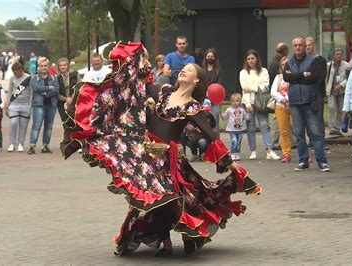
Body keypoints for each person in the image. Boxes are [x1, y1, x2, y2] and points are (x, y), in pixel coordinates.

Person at [61, 43, 261, 256]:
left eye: (191, 70)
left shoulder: (193, 106)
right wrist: (142, 58)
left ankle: (189, 234)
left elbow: (211, 134)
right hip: (147, 156)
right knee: (154, 198)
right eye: (185, 68)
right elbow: (144, 82)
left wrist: (230, 163)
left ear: (197, 81)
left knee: (177, 198)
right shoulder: (164, 92)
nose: (185, 70)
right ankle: (166, 243)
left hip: (171, 161)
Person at [283, 36, 330, 172]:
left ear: (305, 47)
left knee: (315, 133)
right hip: (295, 102)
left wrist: (296, 77)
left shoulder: (313, 60)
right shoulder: (289, 62)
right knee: (299, 133)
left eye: (300, 45)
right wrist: (303, 75)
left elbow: (314, 77)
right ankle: (303, 161)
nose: (298, 47)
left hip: (310, 101)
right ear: (293, 47)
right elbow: (286, 77)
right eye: (295, 45)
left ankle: (322, 162)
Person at [239, 49, 280, 160]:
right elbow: (244, 89)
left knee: (264, 125)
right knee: (251, 128)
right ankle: (253, 151)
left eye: (253, 58)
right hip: (249, 103)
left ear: (257, 59)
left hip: (261, 102)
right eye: (248, 59)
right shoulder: (243, 72)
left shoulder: (264, 71)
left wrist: (252, 88)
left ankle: (269, 150)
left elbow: (265, 86)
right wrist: (247, 104)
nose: (251, 61)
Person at [28, 57, 60, 155]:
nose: (43, 67)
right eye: (41, 66)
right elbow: (36, 87)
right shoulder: (34, 77)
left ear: (48, 67)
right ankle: (32, 146)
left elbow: (56, 90)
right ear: (38, 68)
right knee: (36, 125)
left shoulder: (53, 77)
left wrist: (47, 94)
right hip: (38, 105)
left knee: (48, 126)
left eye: (45, 66)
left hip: (51, 105)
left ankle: (45, 146)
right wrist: (48, 88)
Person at [267, 42, 293, 150]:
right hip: (279, 96)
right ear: (285, 51)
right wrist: (280, 97)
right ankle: (275, 142)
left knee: (283, 123)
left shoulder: (273, 61)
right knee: (277, 122)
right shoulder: (276, 65)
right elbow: (274, 83)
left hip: (282, 97)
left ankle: (288, 142)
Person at [4, 62, 31, 152]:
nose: (16, 74)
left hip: (25, 104)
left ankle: (20, 143)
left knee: (23, 125)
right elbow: (9, 92)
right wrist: (6, 105)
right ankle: (12, 143)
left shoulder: (28, 78)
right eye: (14, 72)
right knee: (13, 122)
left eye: (17, 72)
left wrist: (30, 106)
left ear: (21, 70)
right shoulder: (12, 78)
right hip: (14, 104)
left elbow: (31, 93)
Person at [305, 37, 328, 146]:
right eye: (306, 45)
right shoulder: (303, 60)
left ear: (314, 45)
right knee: (307, 117)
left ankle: (320, 141)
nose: (307, 47)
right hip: (306, 92)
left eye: (309, 45)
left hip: (318, 92)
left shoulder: (320, 60)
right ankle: (311, 139)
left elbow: (321, 76)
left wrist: (309, 76)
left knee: (318, 117)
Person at [271, 56, 293, 163]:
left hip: (294, 106)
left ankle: (305, 155)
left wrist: (288, 98)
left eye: (288, 64)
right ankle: (286, 154)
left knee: (299, 131)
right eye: (283, 64)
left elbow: (296, 90)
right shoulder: (279, 77)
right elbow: (273, 91)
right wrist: (281, 99)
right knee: (284, 132)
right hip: (281, 107)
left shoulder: (295, 76)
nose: (285, 66)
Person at [56, 57, 80, 145]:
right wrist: (66, 99)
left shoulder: (74, 74)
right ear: (58, 67)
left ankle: (74, 139)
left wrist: (72, 99)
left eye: (64, 65)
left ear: (68, 66)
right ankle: (67, 139)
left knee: (74, 121)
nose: (63, 67)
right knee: (65, 121)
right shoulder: (57, 78)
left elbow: (79, 87)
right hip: (62, 102)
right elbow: (56, 93)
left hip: (74, 101)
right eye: (61, 65)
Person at [325, 48, 348, 135]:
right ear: (334, 55)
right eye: (337, 54)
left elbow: (348, 77)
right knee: (331, 108)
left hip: (341, 91)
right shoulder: (329, 65)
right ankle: (332, 127)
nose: (339, 56)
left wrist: (342, 85)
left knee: (340, 109)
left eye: (340, 54)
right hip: (331, 90)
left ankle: (338, 127)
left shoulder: (346, 65)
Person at [221, 93, 249, 161]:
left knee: (239, 141)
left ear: (240, 102)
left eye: (237, 101)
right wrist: (221, 113)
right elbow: (224, 117)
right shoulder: (229, 109)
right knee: (234, 141)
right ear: (231, 102)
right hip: (232, 129)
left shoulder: (242, 110)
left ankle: (237, 153)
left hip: (240, 129)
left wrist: (249, 112)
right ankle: (233, 153)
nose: (235, 103)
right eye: (233, 101)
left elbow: (246, 118)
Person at [202, 48, 223, 129]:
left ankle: (216, 139)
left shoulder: (218, 70)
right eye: (208, 56)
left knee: (215, 118)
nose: (210, 58)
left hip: (215, 98)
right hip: (205, 98)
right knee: (205, 119)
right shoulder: (202, 69)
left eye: (212, 56)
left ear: (215, 58)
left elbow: (219, 83)